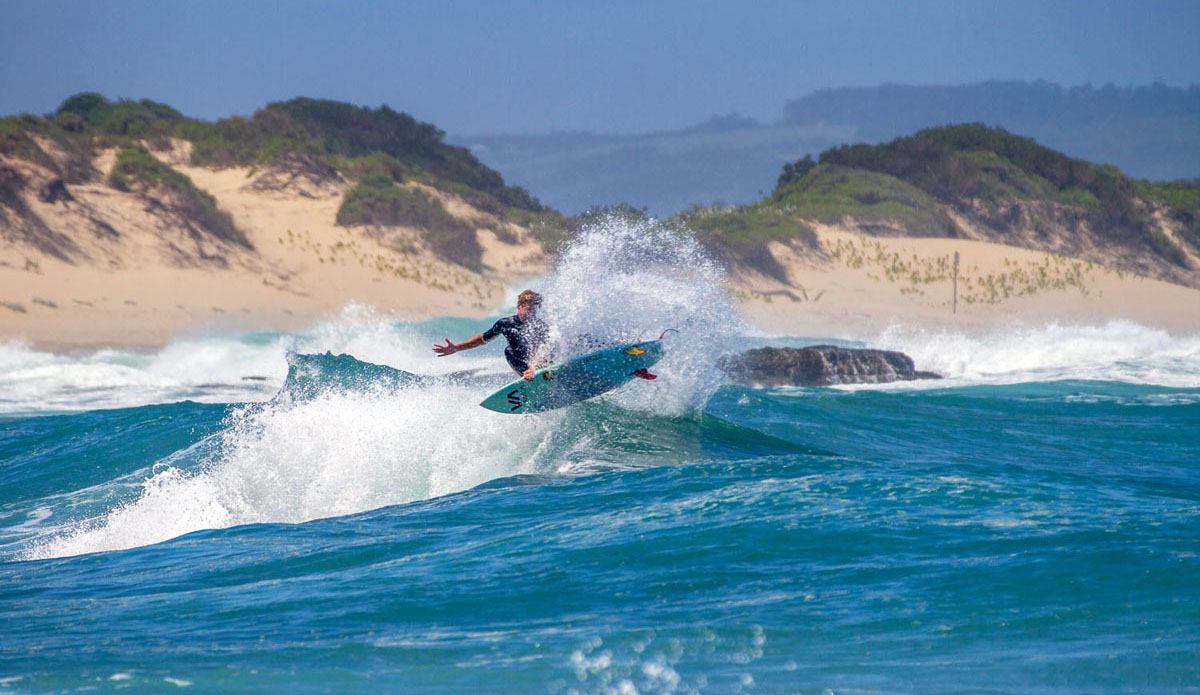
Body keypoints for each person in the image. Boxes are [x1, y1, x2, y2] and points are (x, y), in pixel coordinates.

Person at [433, 290, 549, 380]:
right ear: (519, 305)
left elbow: (544, 349)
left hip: (539, 363)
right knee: (508, 351)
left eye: (534, 311)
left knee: (546, 347)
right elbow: (481, 339)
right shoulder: (506, 324)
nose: (531, 314)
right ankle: (527, 375)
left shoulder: (539, 326)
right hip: (525, 367)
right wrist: (457, 348)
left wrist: (534, 367)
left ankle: (538, 373)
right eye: (529, 310)